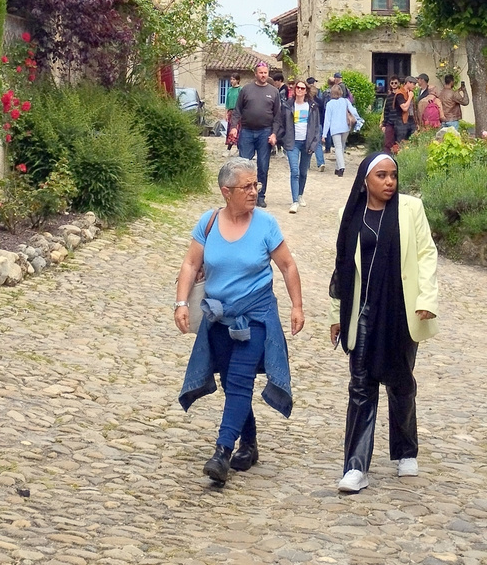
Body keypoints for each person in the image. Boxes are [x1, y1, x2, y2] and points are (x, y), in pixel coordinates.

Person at [176, 159, 305, 483]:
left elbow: (288, 266)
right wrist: (180, 302)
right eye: (247, 186)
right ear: (226, 191)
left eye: (256, 184)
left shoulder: (265, 224)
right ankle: (248, 443)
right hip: (218, 318)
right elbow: (191, 265)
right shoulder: (207, 223)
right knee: (231, 382)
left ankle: (222, 450)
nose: (254, 191)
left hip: (256, 317)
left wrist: (297, 307)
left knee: (239, 380)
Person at [329, 152, 439, 494]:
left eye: (393, 175)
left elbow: (426, 253)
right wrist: (336, 314)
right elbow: (342, 268)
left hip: (401, 310)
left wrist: (426, 300)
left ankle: (405, 449)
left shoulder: (410, 209)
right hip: (362, 312)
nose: (389, 182)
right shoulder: (351, 216)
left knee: (400, 381)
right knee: (360, 387)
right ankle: (356, 467)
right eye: (381, 176)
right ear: (365, 180)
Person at [235, 63, 283, 208]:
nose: (263, 75)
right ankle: (243, 194)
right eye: (260, 72)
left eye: (265, 72)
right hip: (247, 132)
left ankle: (260, 196)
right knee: (244, 165)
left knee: (263, 166)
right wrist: (233, 128)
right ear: (255, 74)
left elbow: (277, 116)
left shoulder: (274, 92)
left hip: (265, 133)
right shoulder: (246, 90)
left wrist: (274, 134)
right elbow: (237, 110)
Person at [280, 80, 323, 213]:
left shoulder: (312, 107)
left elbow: (316, 127)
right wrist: (282, 139)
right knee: (295, 171)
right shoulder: (287, 105)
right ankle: (294, 202)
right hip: (292, 142)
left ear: (306, 91)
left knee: (303, 172)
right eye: (297, 87)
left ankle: (300, 195)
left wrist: (314, 143)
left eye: (302, 88)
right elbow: (282, 123)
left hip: (307, 142)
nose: (299, 89)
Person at [322, 83, 363, 177]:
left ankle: (341, 167)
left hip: (335, 128)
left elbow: (327, 120)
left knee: (338, 148)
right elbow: (353, 111)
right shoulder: (345, 101)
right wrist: (358, 119)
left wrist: (324, 134)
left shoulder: (329, 104)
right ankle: (337, 168)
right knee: (341, 147)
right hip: (345, 127)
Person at [381, 79, 408, 152]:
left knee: (400, 143)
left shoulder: (401, 95)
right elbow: (386, 111)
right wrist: (384, 125)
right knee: (388, 143)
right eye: (392, 83)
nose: (394, 84)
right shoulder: (389, 97)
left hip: (400, 123)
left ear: (399, 83)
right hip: (390, 122)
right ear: (390, 84)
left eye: (395, 83)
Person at [224, 73, 242, 153]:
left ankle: (235, 148)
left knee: (237, 130)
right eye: (231, 79)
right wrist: (226, 113)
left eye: (234, 79)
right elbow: (227, 103)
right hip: (231, 112)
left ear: (238, 80)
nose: (232, 81)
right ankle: (229, 148)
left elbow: (242, 102)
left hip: (238, 112)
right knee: (230, 130)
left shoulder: (240, 90)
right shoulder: (229, 90)